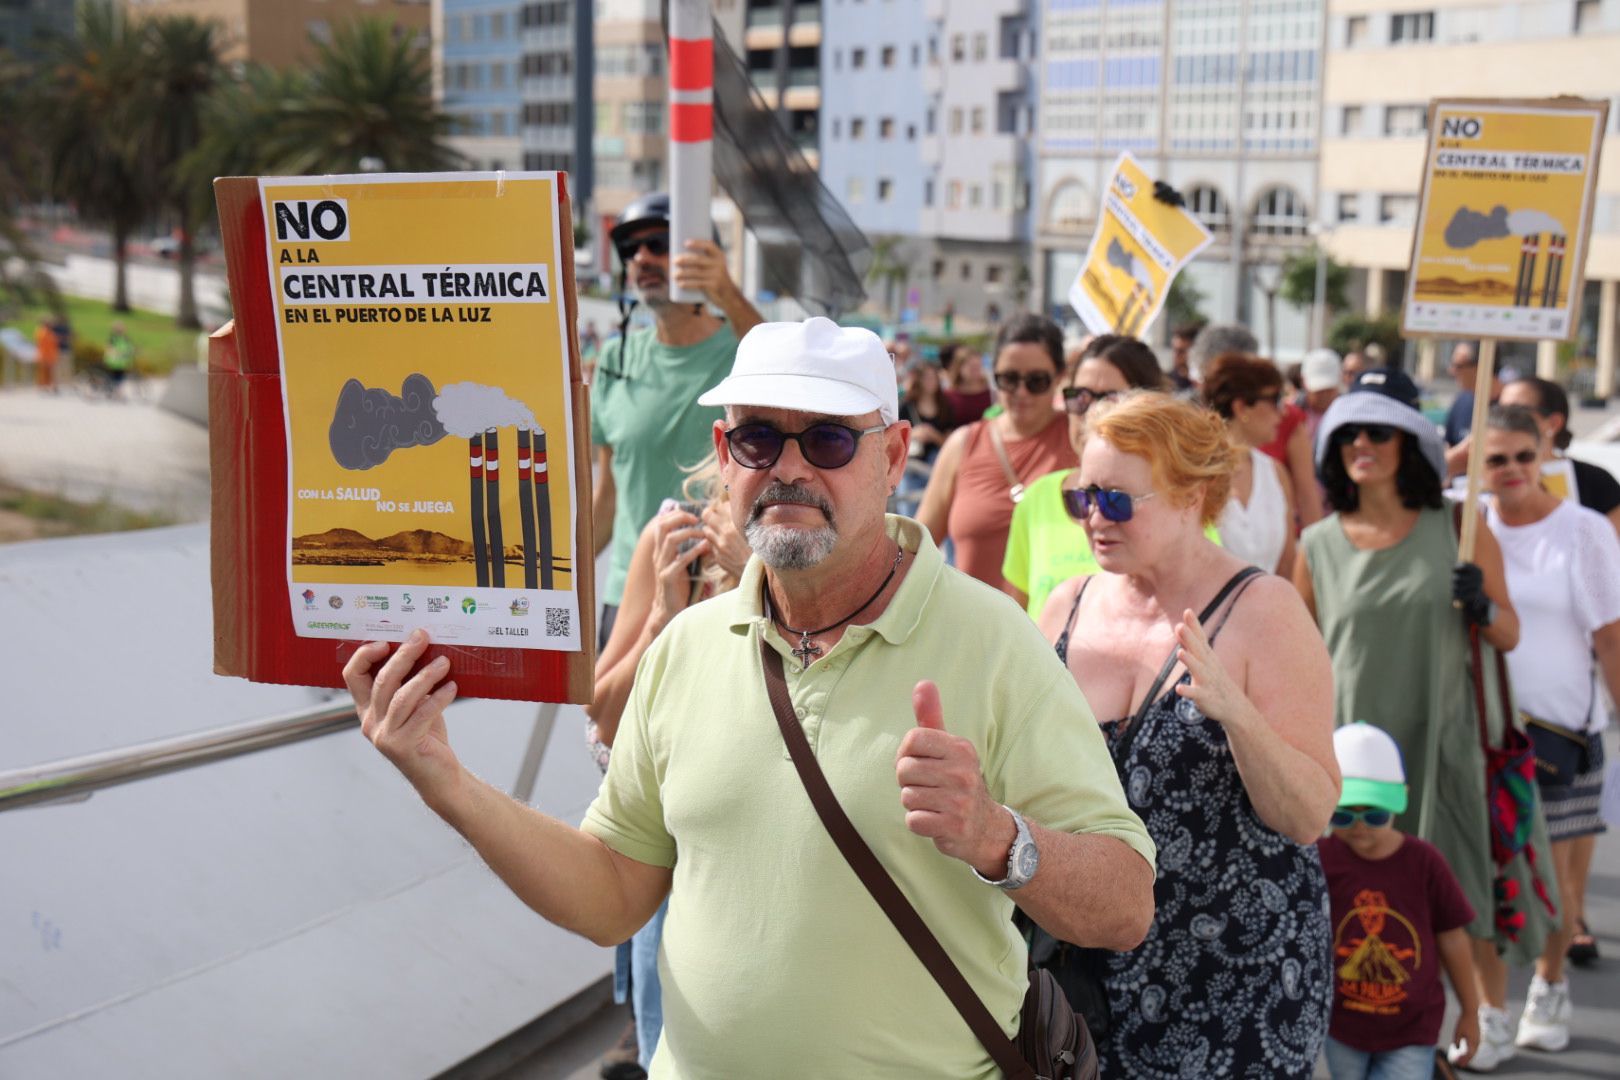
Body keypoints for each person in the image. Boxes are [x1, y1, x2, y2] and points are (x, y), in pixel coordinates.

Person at [344, 316, 1157, 1076]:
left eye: (830, 439)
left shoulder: (996, 642)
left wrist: (995, 836)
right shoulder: (686, 649)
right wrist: (443, 779)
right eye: (760, 437)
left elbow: (1125, 905)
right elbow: (611, 895)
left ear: (894, 453)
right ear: (723, 453)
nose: (790, 468)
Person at [1045, 391, 1340, 1078]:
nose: (1093, 517)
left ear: (1192, 496)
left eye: (1116, 501)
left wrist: (1238, 715)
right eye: (1081, 497)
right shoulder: (1067, 605)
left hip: (1236, 977)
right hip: (1086, 970)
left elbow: (1308, 814)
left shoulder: (1262, 610)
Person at [1293, 382, 1559, 1073]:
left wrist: (1480, 606)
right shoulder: (1314, 545)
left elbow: (1509, 634)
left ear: (1410, 444)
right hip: (1351, 762)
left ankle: (1487, 1016)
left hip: (1442, 745)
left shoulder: (1461, 525)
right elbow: (1295, 658)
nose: (1361, 446)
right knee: (1360, 902)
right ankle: (1367, 1030)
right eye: (1349, 434)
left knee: (1463, 888)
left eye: (1377, 433)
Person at [586, 455, 751, 1078]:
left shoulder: (833, 549)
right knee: (669, 1047)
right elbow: (602, 719)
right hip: (678, 858)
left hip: (783, 866)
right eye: (756, 434)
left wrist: (752, 573)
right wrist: (664, 614)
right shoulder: (674, 538)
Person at [1482, 405, 1620, 1052]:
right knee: (1487, 877)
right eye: (1494, 457)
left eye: (1522, 456)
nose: (1510, 470)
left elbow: (1612, 638)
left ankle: (1550, 984)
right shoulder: (1469, 529)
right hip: (1488, 732)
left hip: (1566, 732)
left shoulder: (1585, 529)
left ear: (1545, 457)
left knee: (1557, 887)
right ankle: (1491, 1010)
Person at [590, 192, 763, 646]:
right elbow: (608, 497)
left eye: (659, 245)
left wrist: (726, 291)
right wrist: (546, 583)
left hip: (715, 593)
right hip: (627, 599)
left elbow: (782, 362)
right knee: (609, 718)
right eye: (632, 250)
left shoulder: (742, 351)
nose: (642, 257)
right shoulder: (615, 357)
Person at [1318, 723, 1481, 1078]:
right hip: (1341, 1026)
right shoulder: (1320, 858)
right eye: (1343, 815)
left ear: (1399, 799)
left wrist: (1471, 1010)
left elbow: (1453, 937)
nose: (1359, 826)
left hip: (1412, 1027)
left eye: (1374, 814)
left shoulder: (1424, 862)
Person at [1002, 335, 1166, 617]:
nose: (1091, 413)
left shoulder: (1174, 501)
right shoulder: (1038, 498)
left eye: (1111, 400)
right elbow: (1012, 622)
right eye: (1079, 398)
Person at [918, 314, 1077, 586]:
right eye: (1009, 380)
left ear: (1060, 377)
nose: (1021, 392)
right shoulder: (963, 444)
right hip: (970, 625)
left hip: (1053, 627)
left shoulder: (1079, 440)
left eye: (1036, 381)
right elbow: (916, 551)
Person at [1202, 352, 1298, 575]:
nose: (1282, 412)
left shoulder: (1276, 472)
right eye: (1275, 400)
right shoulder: (1194, 474)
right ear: (1241, 407)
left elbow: (1287, 566)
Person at [1498, 375, 1620, 534]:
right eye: (1498, 411)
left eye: (1516, 412)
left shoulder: (1596, 482)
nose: (1504, 421)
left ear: (1554, 423)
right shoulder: (1486, 476)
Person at [1443, 343, 1503, 476]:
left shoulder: (1511, 404)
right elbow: (1449, 445)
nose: (1451, 371)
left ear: (1481, 367)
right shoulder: (1461, 400)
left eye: (1458, 366)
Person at [940, 342, 991, 426]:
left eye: (977, 367)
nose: (975, 371)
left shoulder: (992, 394)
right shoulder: (948, 396)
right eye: (972, 367)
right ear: (959, 368)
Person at [1168, 321, 1204, 392]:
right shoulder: (1165, 383)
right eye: (1174, 350)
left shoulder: (1204, 386)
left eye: (1181, 351)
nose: (1176, 355)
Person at [104, 322, 135, 397]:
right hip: (113, 361)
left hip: (123, 362)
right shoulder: (113, 339)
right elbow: (109, 349)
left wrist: (132, 351)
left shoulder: (126, 338)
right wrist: (117, 353)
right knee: (112, 377)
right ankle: (111, 391)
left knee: (120, 378)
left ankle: (116, 391)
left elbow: (130, 347)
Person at [33, 317, 59, 393]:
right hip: (44, 355)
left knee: (50, 373)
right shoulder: (42, 332)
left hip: (50, 355)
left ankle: (50, 386)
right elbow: (43, 343)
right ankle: (44, 387)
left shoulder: (49, 332)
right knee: (44, 373)